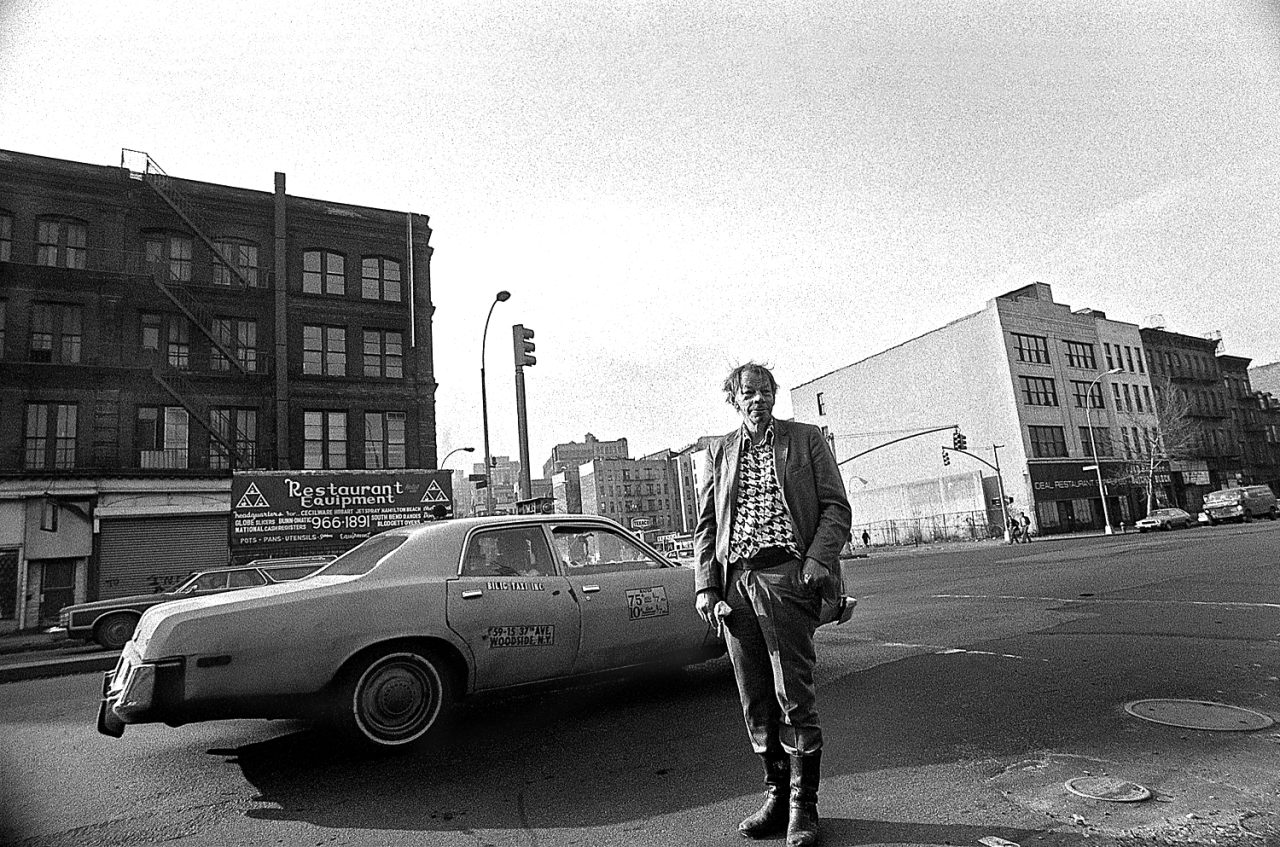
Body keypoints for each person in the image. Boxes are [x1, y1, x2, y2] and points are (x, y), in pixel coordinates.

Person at [694, 362, 852, 847]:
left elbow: (836, 508)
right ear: (734, 400)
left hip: (787, 575)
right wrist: (707, 587)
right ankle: (776, 796)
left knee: (794, 695)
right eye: (748, 393)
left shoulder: (805, 439)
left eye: (765, 391)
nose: (758, 399)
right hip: (736, 583)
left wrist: (815, 562)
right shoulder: (718, 451)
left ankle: (805, 808)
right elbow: (706, 525)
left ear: (774, 395)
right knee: (754, 697)